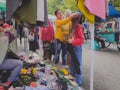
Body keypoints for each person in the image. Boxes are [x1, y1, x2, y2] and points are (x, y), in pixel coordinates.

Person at [0, 19, 23, 90]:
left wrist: (17, 57)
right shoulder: (3, 37)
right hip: (1, 62)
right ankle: (8, 82)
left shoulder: (3, 37)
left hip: (3, 60)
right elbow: (11, 37)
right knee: (19, 64)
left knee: (18, 64)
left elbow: (9, 50)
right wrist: (5, 30)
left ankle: (10, 81)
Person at [67, 13, 84, 86]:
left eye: (72, 19)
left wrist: (72, 41)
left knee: (77, 64)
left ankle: (78, 81)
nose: (71, 21)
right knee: (72, 62)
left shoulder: (79, 27)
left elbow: (82, 39)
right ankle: (72, 76)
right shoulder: (73, 26)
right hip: (73, 47)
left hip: (77, 47)